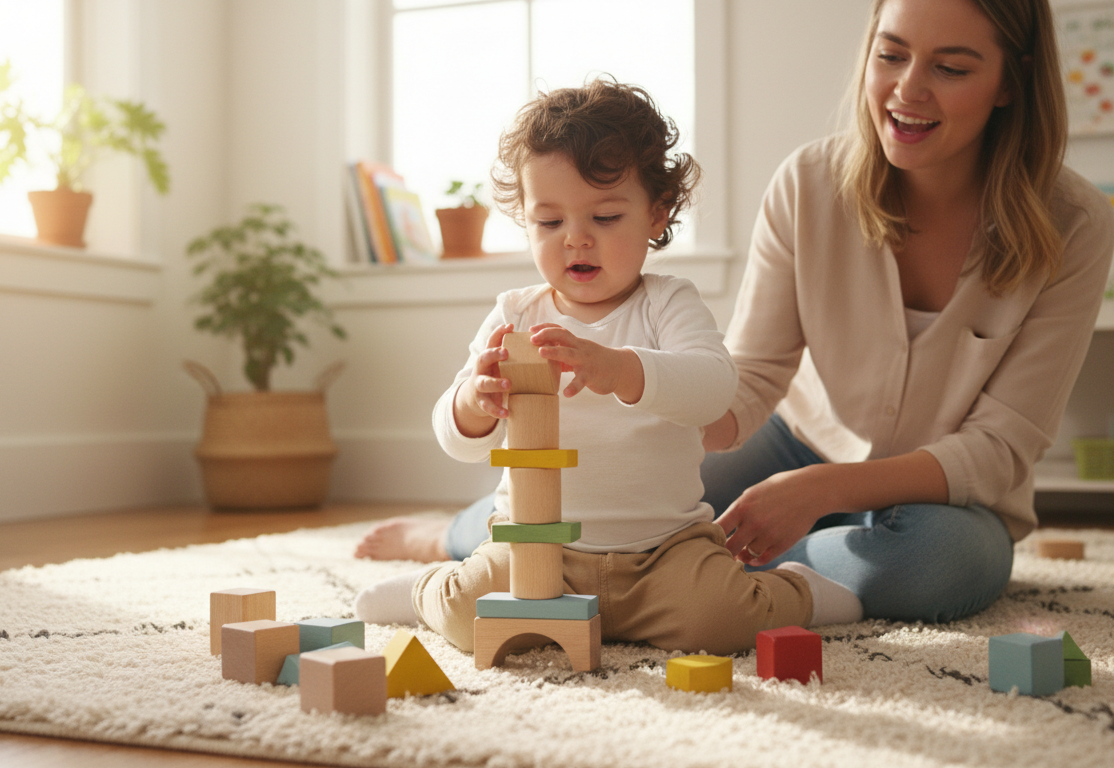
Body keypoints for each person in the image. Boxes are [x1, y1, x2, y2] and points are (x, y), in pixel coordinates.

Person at [357, 0, 1114, 626]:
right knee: (603, 488)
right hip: (790, 440)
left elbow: (1000, 448)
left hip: (939, 492)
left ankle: (719, 578)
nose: (906, 91)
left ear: (1010, 82)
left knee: (947, 566)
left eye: (950, 67)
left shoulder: (1073, 223)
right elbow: (743, 382)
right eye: (890, 55)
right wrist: (653, 422)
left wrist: (821, 493)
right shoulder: (810, 185)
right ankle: (462, 538)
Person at [353, 79, 840, 656]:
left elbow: (714, 388)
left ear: (657, 213)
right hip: (538, 550)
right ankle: (429, 589)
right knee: (471, 617)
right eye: (549, 223)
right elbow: (456, 439)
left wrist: (621, 370)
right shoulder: (516, 312)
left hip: (664, 550)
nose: (576, 240)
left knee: (719, 622)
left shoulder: (667, 301)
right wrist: (474, 404)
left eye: (605, 217)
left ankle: (801, 590)